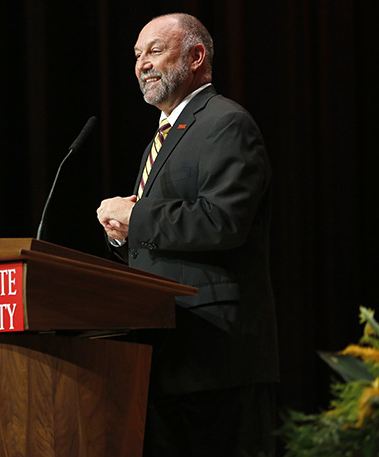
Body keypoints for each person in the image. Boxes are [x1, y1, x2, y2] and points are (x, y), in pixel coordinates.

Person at [96, 13, 279, 457]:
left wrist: (136, 218)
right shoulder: (158, 140)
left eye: (155, 50)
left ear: (196, 56)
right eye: (137, 55)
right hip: (163, 352)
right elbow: (163, 242)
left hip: (215, 359)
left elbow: (223, 221)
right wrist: (122, 234)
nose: (142, 64)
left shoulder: (225, 123)